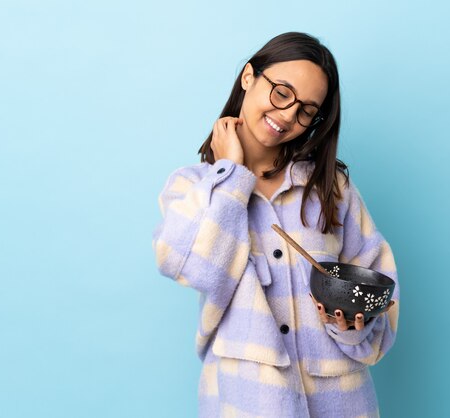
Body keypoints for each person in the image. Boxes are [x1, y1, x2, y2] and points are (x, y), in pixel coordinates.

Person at [152, 31, 400, 418]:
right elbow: (201, 270)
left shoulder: (330, 189)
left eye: (306, 110)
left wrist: (353, 325)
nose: (287, 116)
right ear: (249, 76)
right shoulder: (191, 187)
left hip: (342, 402)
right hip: (246, 402)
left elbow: (379, 284)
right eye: (282, 92)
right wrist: (231, 174)